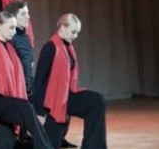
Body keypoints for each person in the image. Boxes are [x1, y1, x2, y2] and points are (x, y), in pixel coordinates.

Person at [0, 12, 52, 149]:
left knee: (6, 143)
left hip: (8, 101)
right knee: (25, 107)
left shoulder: (11, 49)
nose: (14, 31)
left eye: (15, 28)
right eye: (11, 27)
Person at [32, 14, 107, 149]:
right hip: (52, 104)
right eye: (73, 32)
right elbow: (39, 81)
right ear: (62, 27)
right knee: (47, 145)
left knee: (96, 101)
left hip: (66, 97)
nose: (76, 36)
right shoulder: (50, 47)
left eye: (77, 32)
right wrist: (39, 112)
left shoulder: (67, 47)